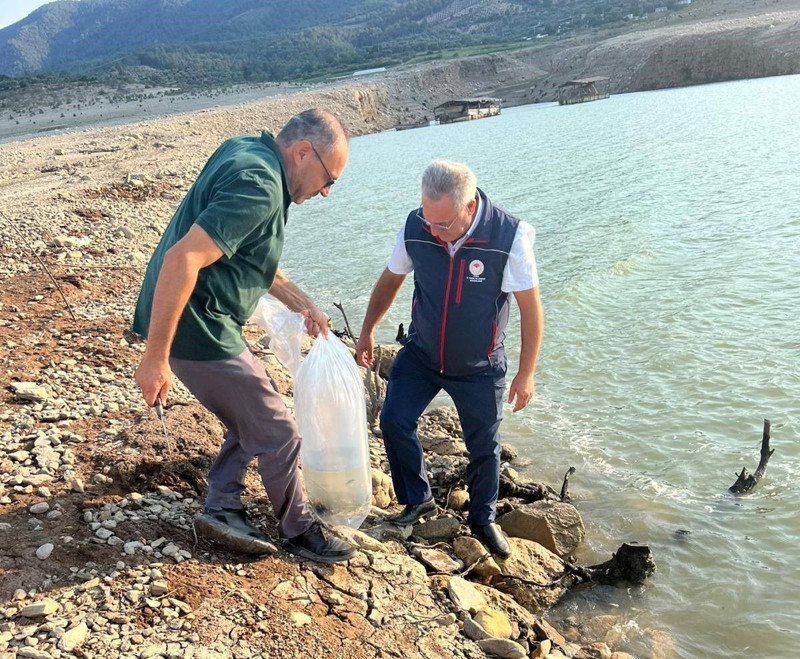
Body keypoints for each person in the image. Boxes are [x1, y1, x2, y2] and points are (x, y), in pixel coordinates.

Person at [133, 109, 356, 563]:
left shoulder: (247, 151)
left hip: (200, 321)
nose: (328, 192)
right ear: (302, 153)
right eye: (328, 177)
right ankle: (297, 529)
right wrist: (154, 359)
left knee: (255, 409)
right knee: (280, 431)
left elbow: (248, 253)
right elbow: (182, 260)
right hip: (197, 327)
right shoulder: (260, 186)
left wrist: (304, 304)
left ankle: (221, 506)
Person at [355, 160, 543, 559]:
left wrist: (527, 373)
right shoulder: (416, 227)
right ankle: (417, 500)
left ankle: (482, 518)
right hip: (422, 354)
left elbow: (531, 308)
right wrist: (368, 328)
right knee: (393, 420)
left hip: (479, 367)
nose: (434, 232)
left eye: (443, 224)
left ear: (470, 207)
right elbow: (391, 278)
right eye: (429, 220)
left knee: (484, 448)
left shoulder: (510, 236)